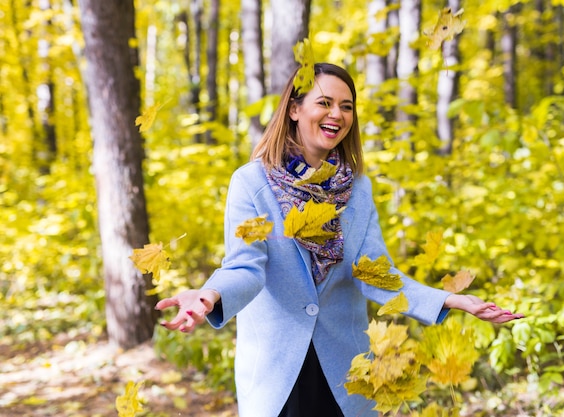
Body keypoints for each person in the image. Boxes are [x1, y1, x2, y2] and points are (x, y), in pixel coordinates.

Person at [156, 62, 524, 417]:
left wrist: (449, 299)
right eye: (325, 103)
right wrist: (208, 295)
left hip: (344, 372)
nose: (337, 114)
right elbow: (246, 267)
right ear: (295, 109)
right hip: (276, 372)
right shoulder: (252, 184)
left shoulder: (358, 190)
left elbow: (374, 274)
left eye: (346, 106)